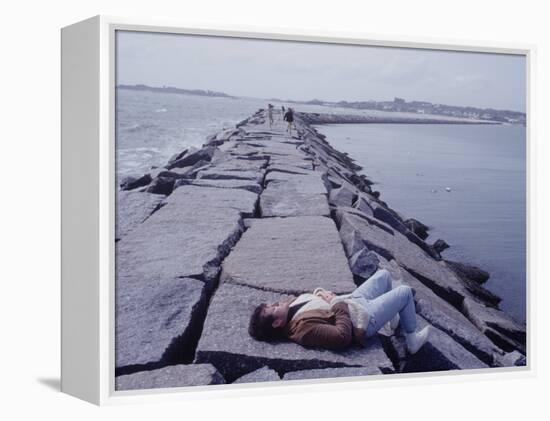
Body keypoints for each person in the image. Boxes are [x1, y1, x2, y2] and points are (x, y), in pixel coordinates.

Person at [248, 269, 431, 353]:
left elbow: (310, 297)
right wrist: (335, 302)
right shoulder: (303, 329)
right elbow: (342, 336)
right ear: (277, 323)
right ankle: (412, 339)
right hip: (362, 320)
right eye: (272, 308)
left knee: (383, 275)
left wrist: (322, 293)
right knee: (405, 292)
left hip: (353, 302)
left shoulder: (289, 309)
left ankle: (394, 318)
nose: (275, 303)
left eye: (270, 304)